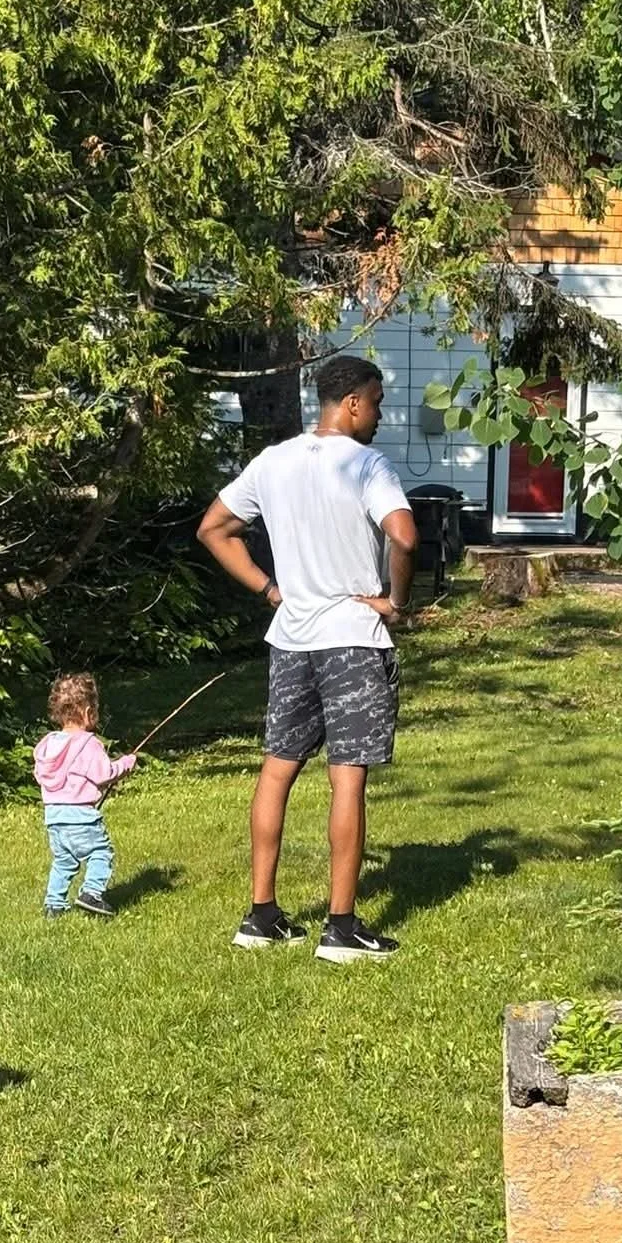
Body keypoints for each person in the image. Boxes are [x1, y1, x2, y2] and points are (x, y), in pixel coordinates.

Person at [196, 355, 418, 962]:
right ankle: (341, 929)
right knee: (347, 778)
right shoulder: (367, 463)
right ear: (350, 402)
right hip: (351, 637)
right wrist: (395, 601)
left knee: (278, 769)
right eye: (376, 402)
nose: (379, 414)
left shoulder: (273, 462)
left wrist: (270, 591)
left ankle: (261, 916)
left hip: (290, 638)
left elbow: (214, 529)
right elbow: (403, 536)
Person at [34, 673, 137, 918]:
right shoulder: (89, 743)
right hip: (81, 816)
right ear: (89, 711)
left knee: (64, 861)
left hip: (54, 817)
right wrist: (126, 763)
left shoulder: (48, 744)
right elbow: (104, 773)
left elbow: (40, 774)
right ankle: (91, 893)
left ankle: (54, 905)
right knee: (100, 853)